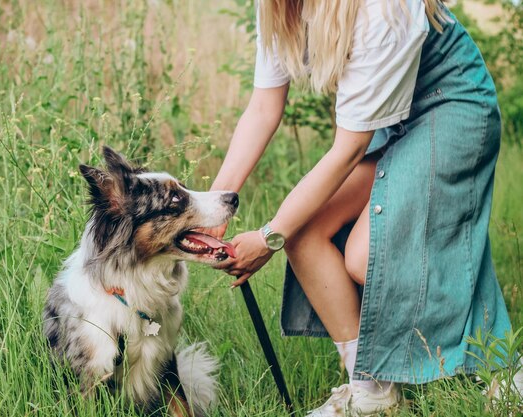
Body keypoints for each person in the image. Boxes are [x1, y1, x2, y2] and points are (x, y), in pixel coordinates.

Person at [205, 0, 523, 415]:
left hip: (450, 105)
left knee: (364, 258)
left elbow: (348, 149)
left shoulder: (384, 9)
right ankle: (371, 391)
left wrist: (268, 236)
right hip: (387, 120)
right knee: (302, 234)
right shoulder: (278, 7)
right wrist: (214, 208)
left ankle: (505, 365)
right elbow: (264, 108)